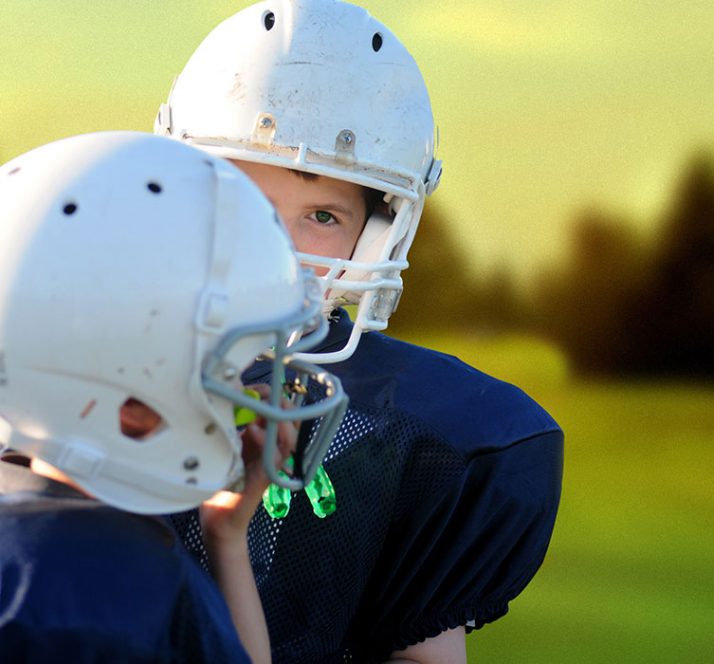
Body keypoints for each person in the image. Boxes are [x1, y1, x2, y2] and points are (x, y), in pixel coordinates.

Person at [155, 1, 564, 662]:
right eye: (247, 204)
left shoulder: (405, 430)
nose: (277, 245)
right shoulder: (92, 367)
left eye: (320, 214)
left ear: (377, 236)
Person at [0, 131, 349, 663]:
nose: (252, 390)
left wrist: (225, 536)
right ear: (133, 400)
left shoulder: (37, 538)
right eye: (230, 367)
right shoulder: (122, 584)